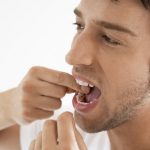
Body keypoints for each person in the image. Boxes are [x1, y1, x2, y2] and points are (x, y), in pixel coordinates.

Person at [28, 0, 150, 150]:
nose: (72, 56)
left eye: (109, 38)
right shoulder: (60, 134)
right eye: (79, 26)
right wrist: (10, 105)